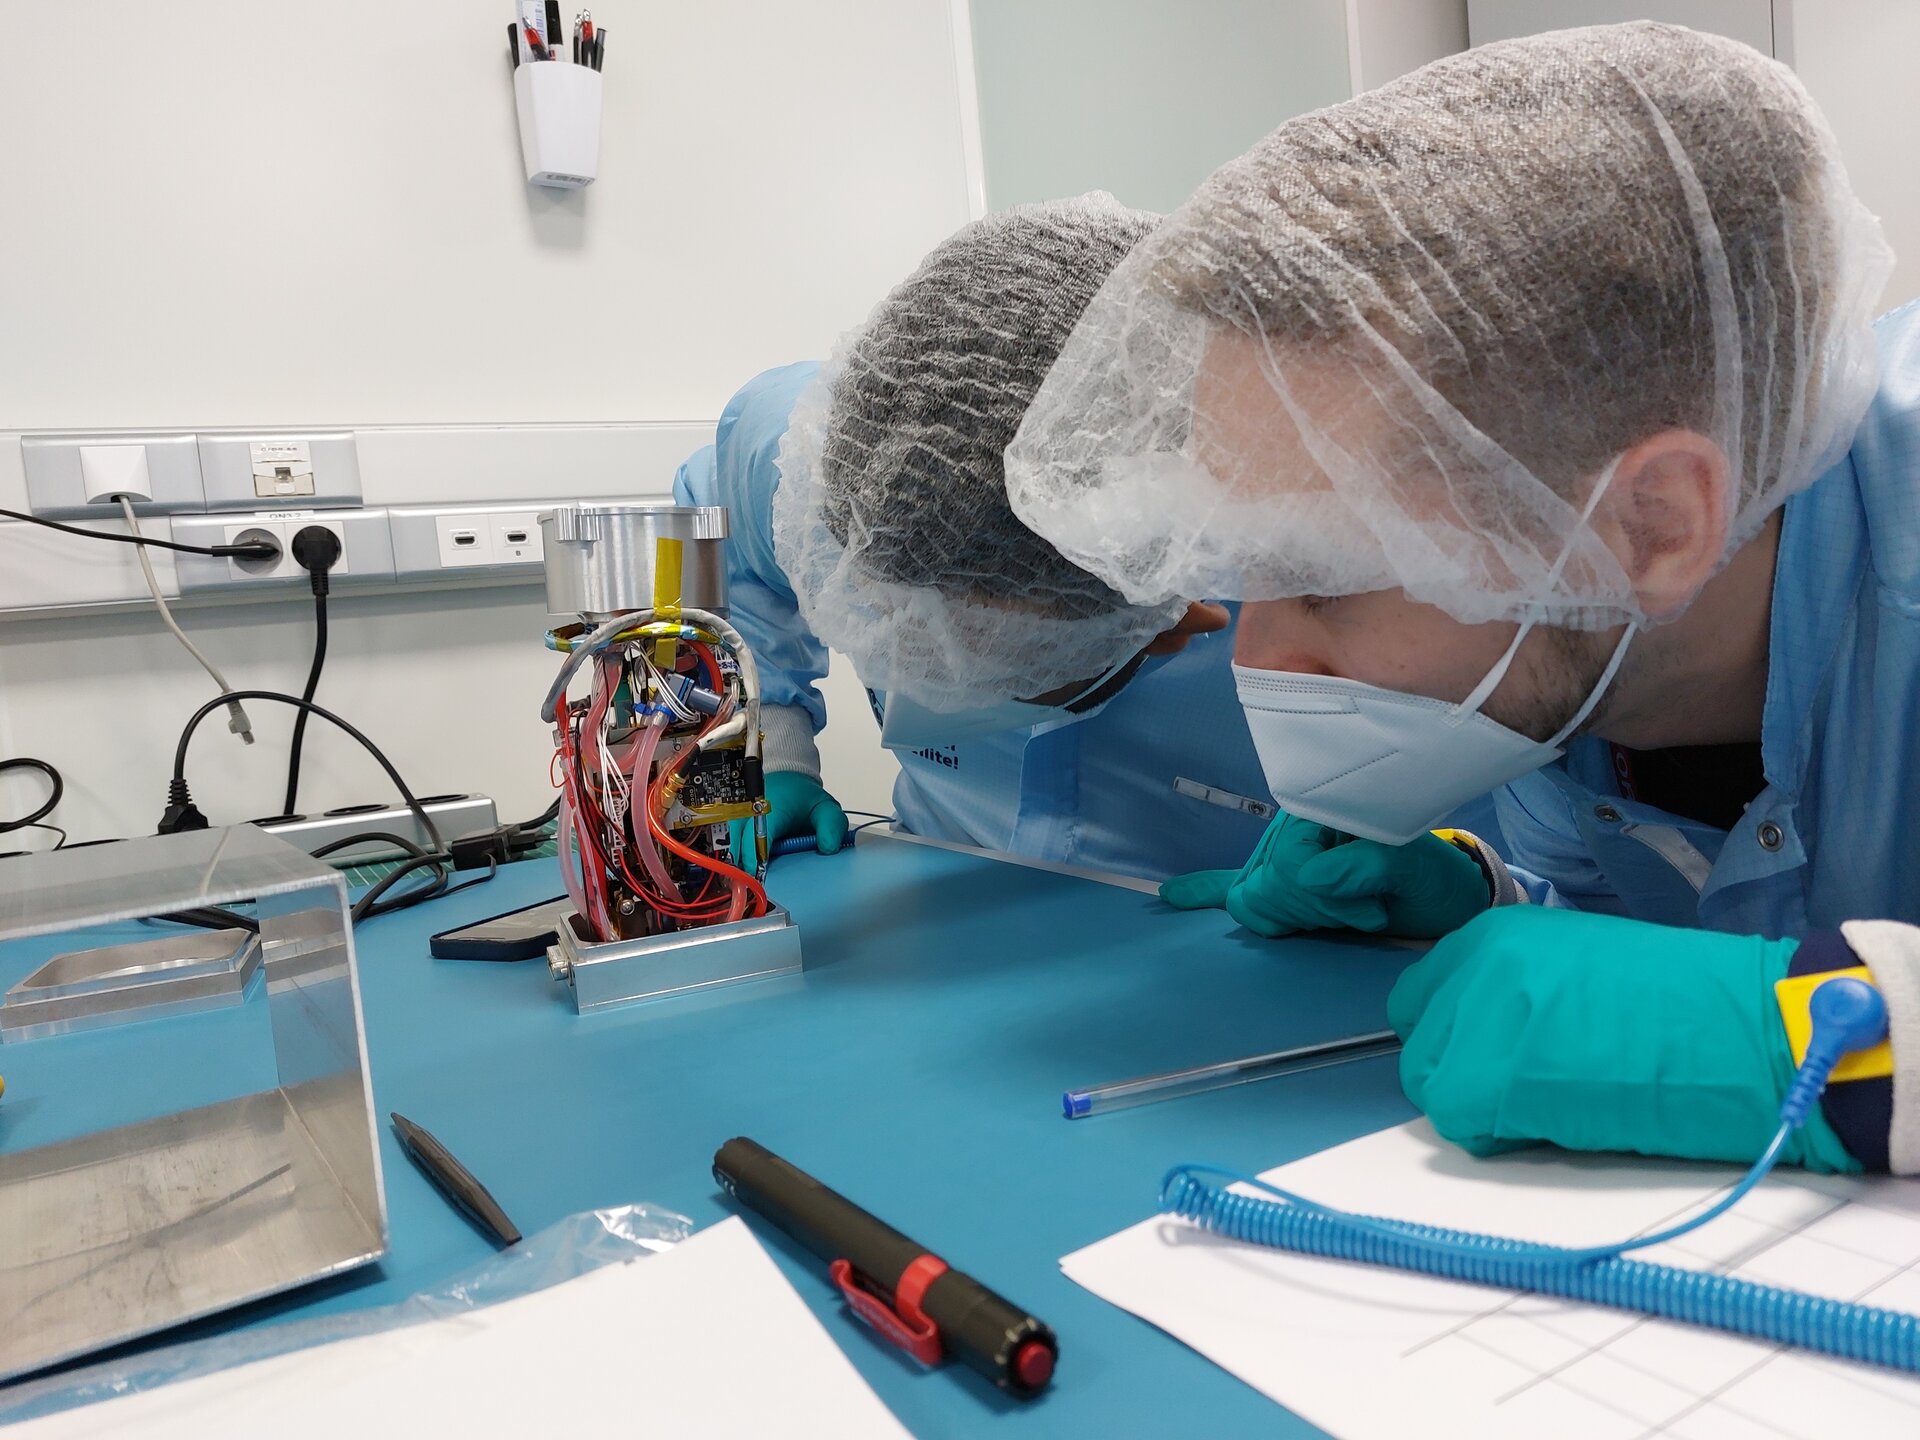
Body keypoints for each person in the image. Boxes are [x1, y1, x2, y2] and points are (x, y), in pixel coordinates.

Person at [1004, 25, 1920, 1173]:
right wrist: (1477, 884)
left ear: (1656, 523)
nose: (1260, 658)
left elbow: (1754, 988)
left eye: (1328, 576)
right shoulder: (1578, 641)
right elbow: (1675, 918)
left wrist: (1827, 1044)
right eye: (1247, 569)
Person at [672, 195, 1339, 883]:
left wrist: (1426, 853)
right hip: (940, 888)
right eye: (903, 643)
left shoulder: (1304, 553)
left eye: (1016, 680)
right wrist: (772, 750)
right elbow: (721, 566)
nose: (936, 684)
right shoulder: (815, 468)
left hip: (1224, 926)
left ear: (1170, 623)